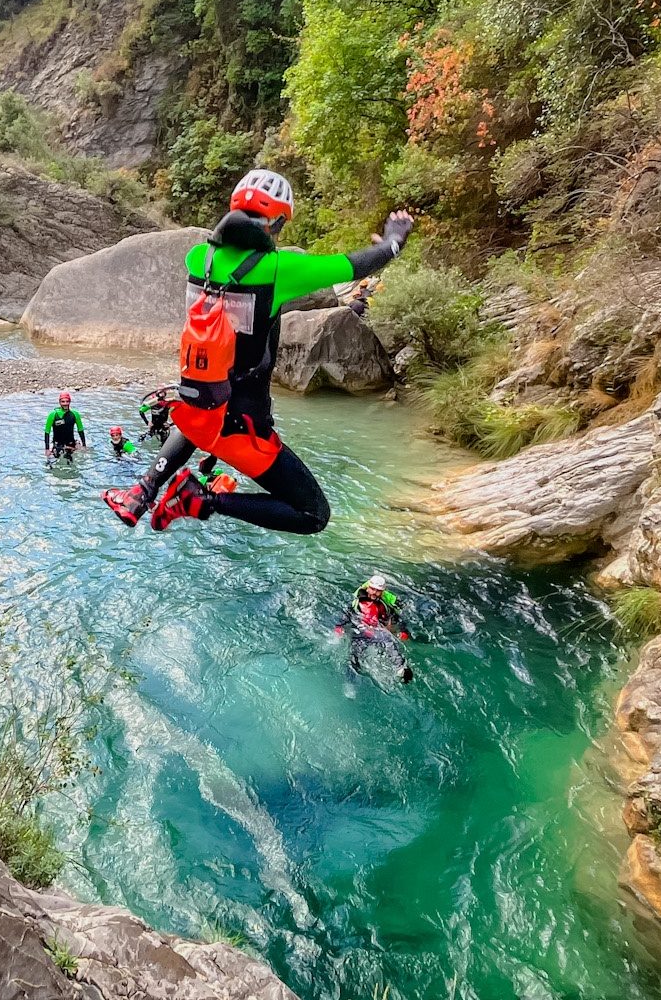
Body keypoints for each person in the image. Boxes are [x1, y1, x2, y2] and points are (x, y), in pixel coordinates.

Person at [102, 169, 413, 534]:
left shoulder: (198, 258)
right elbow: (355, 265)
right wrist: (393, 241)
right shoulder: (279, 269)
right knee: (313, 515)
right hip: (242, 425)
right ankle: (200, 499)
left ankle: (142, 491)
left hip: (200, 402)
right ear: (278, 220)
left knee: (201, 415)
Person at [335, 572, 413, 682]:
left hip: (379, 631)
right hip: (360, 630)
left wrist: (403, 631)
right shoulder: (358, 602)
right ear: (368, 588)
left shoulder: (385, 605)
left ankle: (400, 669)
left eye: (378, 591)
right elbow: (347, 613)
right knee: (354, 656)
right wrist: (339, 626)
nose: (374, 593)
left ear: (382, 591)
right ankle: (350, 683)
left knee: (388, 642)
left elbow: (397, 618)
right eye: (372, 589)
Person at [44, 392, 86, 463]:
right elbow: (47, 432)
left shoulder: (75, 414)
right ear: (59, 402)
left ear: (70, 402)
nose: (65, 403)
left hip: (70, 444)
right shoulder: (53, 414)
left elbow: (80, 430)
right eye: (63, 401)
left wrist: (84, 445)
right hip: (57, 444)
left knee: (70, 464)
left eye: (67, 401)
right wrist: (47, 449)